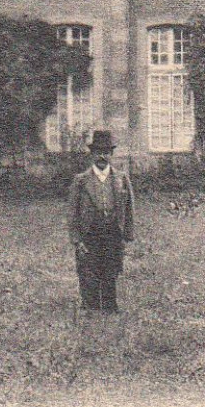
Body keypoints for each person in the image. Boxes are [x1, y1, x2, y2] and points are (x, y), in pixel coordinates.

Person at [67, 129, 135, 314]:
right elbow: (72, 212)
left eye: (106, 152)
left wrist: (127, 234)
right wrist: (76, 239)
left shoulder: (121, 178)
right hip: (90, 231)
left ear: (111, 154)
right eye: (98, 152)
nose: (102, 156)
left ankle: (110, 305)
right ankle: (90, 305)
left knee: (111, 268)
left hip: (112, 231)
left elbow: (129, 208)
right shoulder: (81, 181)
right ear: (92, 154)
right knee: (89, 269)